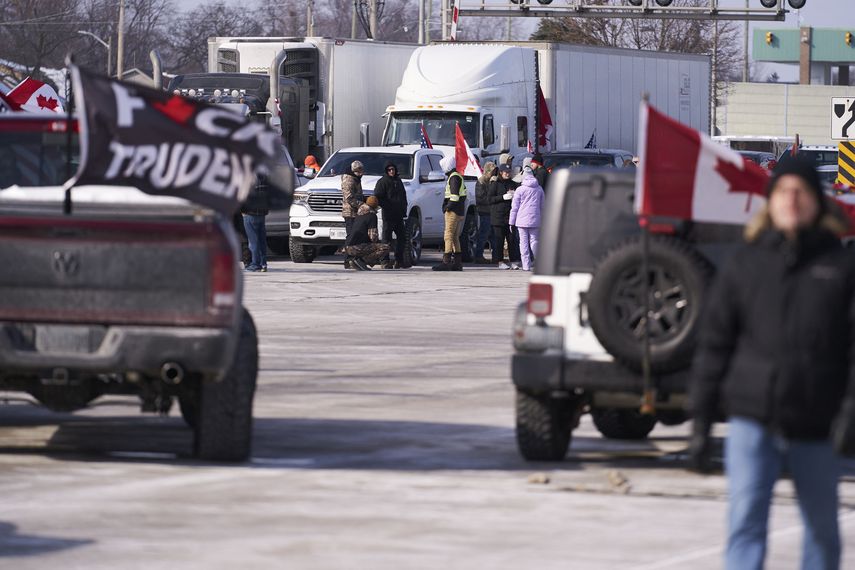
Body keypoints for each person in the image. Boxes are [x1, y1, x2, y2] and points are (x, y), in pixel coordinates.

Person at [689, 155, 855, 570]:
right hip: (752, 423)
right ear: (770, 202)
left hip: (817, 426)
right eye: (783, 191)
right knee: (745, 526)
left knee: (822, 535)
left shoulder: (840, 266)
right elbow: (715, 344)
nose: (792, 199)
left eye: (801, 191)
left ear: (817, 201)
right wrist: (701, 419)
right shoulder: (745, 265)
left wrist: (850, 411)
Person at [432, 155, 467, 272]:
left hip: (453, 211)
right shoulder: (457, 176)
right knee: (455, 236)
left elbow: (454, 196)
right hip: (459, 210)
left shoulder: (453, 178)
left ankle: (446, 262)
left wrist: (447, 207)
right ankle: (457, 263)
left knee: (448, 235)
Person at [373, 161, 409, 269]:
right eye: (389, 170)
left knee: (402, 238)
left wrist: (404, 208)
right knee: (386, 238)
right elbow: (377, 197)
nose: (391, 171)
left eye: (393, 169)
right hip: (388, 215)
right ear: (386, 171)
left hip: (399, 215)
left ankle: (399, 260)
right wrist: (387, 206)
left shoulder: (398, 181)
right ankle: (384, 261)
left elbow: (403, 196)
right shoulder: (382, 182)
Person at [509, 169, 544, 272]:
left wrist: (511, 222)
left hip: (522, 220)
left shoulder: (520, 189)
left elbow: (514, 207)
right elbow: (543, 206)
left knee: (523, 242)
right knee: (534, 241)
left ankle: (526, 265)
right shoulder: (539, 189)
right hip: (535, 219)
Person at [488, 164, 521, 270]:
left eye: (509, 171)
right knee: (499, 241)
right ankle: (500, 261)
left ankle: (513, 261)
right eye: (505, 172)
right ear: (501, 172)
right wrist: (502, 197)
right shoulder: (495, 184)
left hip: (510, 216)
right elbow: (490, 199)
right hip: (498, 217)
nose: (507, 173)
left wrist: (515, 194)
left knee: (512, 240)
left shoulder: (512, 183)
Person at [344, 196, 389, 271]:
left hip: (348, 248)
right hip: (357, 248)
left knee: (367, 245)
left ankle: (355, 260)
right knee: (384, 248)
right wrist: (378, 243)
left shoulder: (359, 214)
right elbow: (372, 237)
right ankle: (361, 261)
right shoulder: (372, 216)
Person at [241, 175, 270, 272]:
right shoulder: (265, 178)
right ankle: (263, 264)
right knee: (262, 240)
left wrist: (242, 209)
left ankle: (255, 264)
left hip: (250, 213)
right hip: (262, 213)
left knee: (253, 241)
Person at [341, 160, 365, 269]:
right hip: (350, 212)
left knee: (355, 236)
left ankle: (353, 258)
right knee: (351, 236)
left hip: (356, 212)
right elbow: (349, 197)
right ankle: (347, 259)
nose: (361, 173)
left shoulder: (356, 179)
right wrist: (362, 205)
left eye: (361, 171)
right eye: (358, 171)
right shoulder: (348, 180)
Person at [474, 161, 497, 263]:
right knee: (483, 234)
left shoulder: (492, 181)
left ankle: (496, 256)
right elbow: (481, 198)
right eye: (492, 171)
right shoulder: (481, 182)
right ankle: (478, 255)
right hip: (484, 212)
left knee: (493, 235)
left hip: (492, 212)